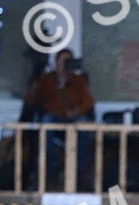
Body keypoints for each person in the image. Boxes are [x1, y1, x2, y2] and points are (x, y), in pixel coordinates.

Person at [23, 49, 95, 188]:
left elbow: (88, 102)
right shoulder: (47, 79)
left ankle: (79, 168)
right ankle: (52, 165)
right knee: (46, 123)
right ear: (57, 61)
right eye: (63, 60)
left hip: (73, 118)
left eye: (69, 60)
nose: (65, 63)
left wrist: (76, 111)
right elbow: (33, 98)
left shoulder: (78, 80)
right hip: (53, 116)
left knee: (84, 124)